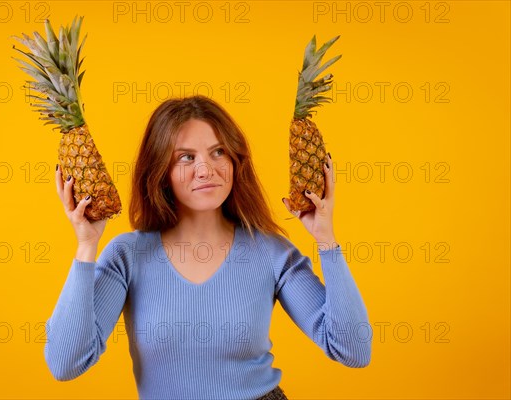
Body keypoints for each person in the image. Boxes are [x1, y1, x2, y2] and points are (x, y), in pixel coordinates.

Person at [45, 95, 371, 400]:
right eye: (186, 157)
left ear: (234, 160)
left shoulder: (272, 252)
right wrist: (87, 246)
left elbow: (353, 350)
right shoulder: (127, 256)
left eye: (218, 152)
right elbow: (65, 363)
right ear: (161, 172)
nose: (206, 169)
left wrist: (326, 241)